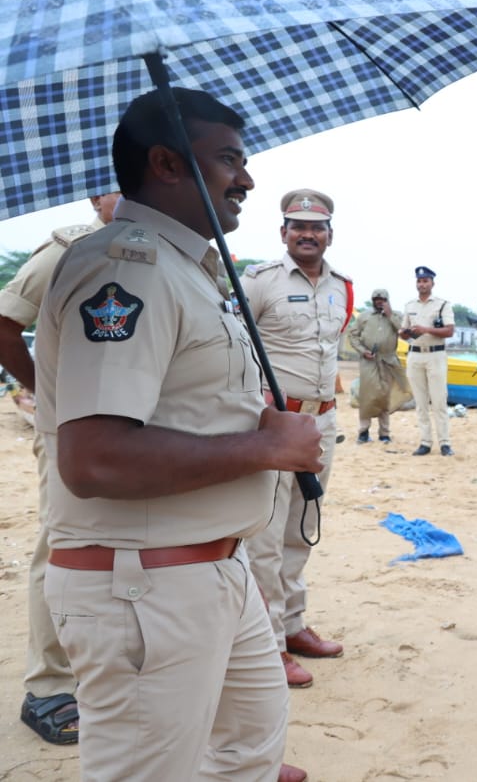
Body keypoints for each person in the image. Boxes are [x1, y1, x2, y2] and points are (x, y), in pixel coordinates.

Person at [36, 88, 320, 781]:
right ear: (166, 162)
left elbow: (185, 407)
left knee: (252, 746)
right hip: (144, 586)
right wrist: (266, 447)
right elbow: (94, 458)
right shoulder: (125, 267)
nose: (247, 180)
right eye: (228, 160)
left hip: (217, 568)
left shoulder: (189, 273)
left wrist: (258, 419)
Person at [1, 193, 119, 746]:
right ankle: (48, 686)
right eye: (116, 181)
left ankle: (101, 671)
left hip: (138, 433)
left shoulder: (163, 251)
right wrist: (45, 396)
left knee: (120, 552)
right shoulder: (66, 251)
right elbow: (4, 321)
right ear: (96, 194)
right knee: (62, 548)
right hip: (72, 427)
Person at [242, 188, 352, 690]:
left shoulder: (342, 288)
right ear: (282, 232)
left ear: (330, 233)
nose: (308, 234)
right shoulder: (259, 281)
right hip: (273, 420)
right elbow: (235, 346)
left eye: (317, 227)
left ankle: (292, 623)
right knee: (264, 537)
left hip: (321, 422)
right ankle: (269, 643)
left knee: (301, 526)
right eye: (297, 226)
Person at [400, 266, 455, 456]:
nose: (422, 284)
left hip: (436, 355)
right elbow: (403, 333)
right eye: (419, 281)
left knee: (439, 400)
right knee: (421, 402)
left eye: (425, 281)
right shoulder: (409, 305)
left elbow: (449, 331)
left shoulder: (442, 304)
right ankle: (425, 442)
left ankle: (445, 442)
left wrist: (426, 329)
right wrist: (404, 333)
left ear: (432, 283)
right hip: (415, 354)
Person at [348, 288, 410, 443]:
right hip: (369, 361)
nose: (379, 301)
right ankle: (363, 432)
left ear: (387, 300)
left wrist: (389, 315)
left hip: (389, 360)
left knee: (385, 397)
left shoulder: (396, 316)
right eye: (376, 299)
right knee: (367, 397)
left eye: (382, 299)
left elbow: (403, 332)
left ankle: (384, 433)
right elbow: (352, 335)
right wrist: (363, 351)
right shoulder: (364, 316)